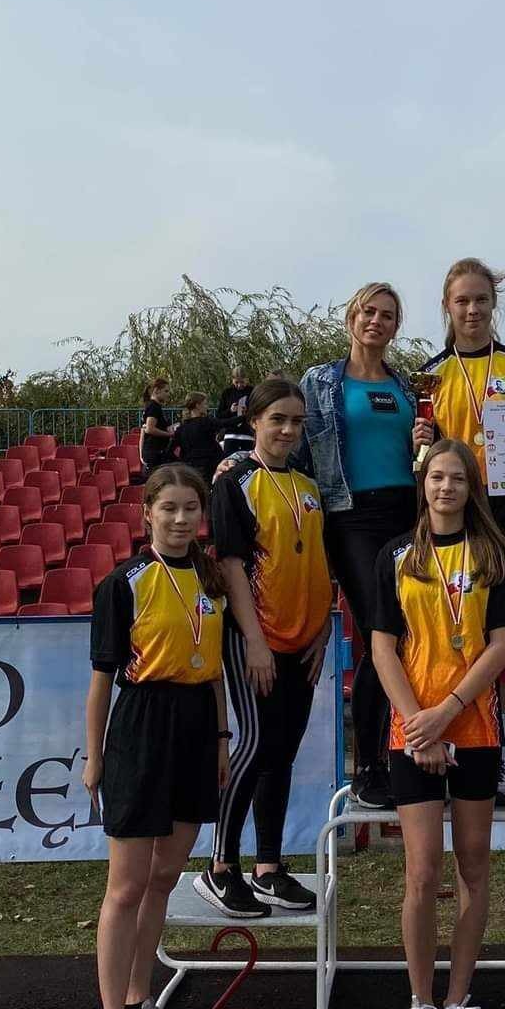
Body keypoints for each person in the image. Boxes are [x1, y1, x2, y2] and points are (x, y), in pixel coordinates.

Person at [371, 439, 505, 1009]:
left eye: (457, 478)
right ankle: (419, 1004)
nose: (446, 488)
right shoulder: (397, 555)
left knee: (473, 867)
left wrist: (448, 713)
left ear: (471, 487)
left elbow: (501, 646)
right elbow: (383, 648)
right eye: (437, 477)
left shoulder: (495, 555)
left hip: (475, 728)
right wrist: (422, 723)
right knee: (421, 872)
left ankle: (458, 1002)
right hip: (411, 731)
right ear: (424, 483)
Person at [82, 463, 232, 1009]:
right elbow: (102, 679)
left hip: (197, 726)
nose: (180, 519)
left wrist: (222, 738)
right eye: (168, 508)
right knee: (127, 885)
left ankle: (142, 1005)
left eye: (190, 508)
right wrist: (94, 756)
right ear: (147, 514)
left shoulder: (212, 577)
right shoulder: (124, 583)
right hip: (142, 724)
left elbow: (215, 669)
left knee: (165, 876)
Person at [413, 258, 505, 808]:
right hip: (454, 517)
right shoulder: (429, 375)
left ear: (493, 304)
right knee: (453, 631)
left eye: (481, 299)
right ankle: (446, 745)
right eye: (462, 301)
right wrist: (419, 443)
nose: (472, 309)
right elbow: (424, 462)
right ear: (447, 307)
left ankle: (494, 757)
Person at [195, 377, 333, 918]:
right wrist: (253, 641)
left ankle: (269, 867)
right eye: (277, 419)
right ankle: (219, 866)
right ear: (253, 421)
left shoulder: (308, 485)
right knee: (252, 745)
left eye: (297, 421)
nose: (287, 430)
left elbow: (318, 560)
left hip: (303, 639)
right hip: (255, 636)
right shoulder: (235, 481)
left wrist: (323, 628)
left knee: (281, 753)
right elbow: (231, 564)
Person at [297, 282, 417, 811]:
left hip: (408, 513)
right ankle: (369, 764)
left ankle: (403, 751)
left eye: (387, 315)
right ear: (351, 317)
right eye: (368, 312)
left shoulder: (407, 384)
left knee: (407, 633)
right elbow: (295, 448)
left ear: (396, 327)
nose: (376, 321)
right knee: (378, 633)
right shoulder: (321, 381)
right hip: (351, 514)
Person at [171, 392, 224, 489]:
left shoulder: (181, 428)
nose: (207, 406)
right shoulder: (206, 422)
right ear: (198, 405)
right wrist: (244, 416)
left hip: (190, 467)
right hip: (208, 466)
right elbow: (226, 423)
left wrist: (182, 461)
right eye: (205, 403)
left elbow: (170, 450)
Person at [216, 367, 254, 457]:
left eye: (242, 382)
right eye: (236, 382)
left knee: (247, 462)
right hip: (231, 434)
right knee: (229, 461)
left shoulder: (252, 391)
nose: (239, 385)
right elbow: (219, 415)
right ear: (232, 380)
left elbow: (258, 411)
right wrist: (230, 410)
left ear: (247, 379)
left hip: (248, 434)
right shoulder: (227, 392)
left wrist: (248, 410)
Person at [140, 378, 175, 475]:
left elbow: (143, 431)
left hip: (153, 452)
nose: (168, 394)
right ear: (157, 391)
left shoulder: (151, 406)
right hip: (155, 453)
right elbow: (149, 429)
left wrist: (141, 453)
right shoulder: (154, 407)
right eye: (166, 391)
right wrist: (169, 435)